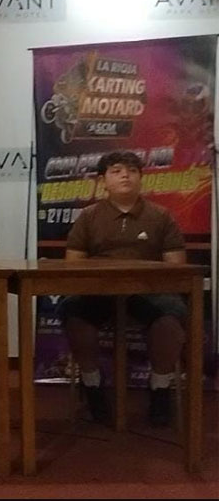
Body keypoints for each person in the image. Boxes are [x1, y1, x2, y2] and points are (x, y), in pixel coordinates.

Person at [59, 151, 187, 427]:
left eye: (132, 170)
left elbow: (176, 268)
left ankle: (160, 389)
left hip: (149, 292)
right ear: (103, 180)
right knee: (74, 313)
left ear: (141, 178)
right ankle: (92, 386)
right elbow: (73, 266)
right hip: (99, 290)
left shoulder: (162, 216)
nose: (125, 175)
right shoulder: (88, 217)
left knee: (170, 318)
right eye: (116, 171)